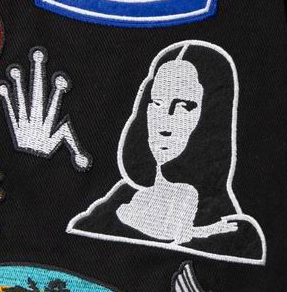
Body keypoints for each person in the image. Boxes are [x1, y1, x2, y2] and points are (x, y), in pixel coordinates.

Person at [68, 41, 265, 264]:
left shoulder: (234, 234)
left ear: (213, 118)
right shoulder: (118, 202)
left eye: (183, 107)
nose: (164, 125)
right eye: (157, 103)